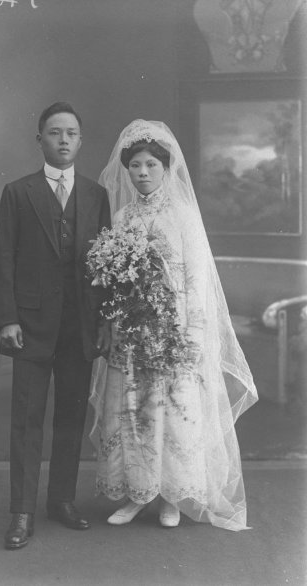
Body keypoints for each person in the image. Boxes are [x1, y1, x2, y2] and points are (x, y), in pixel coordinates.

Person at [89, 120, 258, 531]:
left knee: (173, 412)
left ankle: (171, 497)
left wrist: (193, 334)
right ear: (126, 170)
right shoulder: (123, 215)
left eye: (150, 164)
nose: (142, 172)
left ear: (166, 168)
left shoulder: (183, 215)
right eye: (134, 166)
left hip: (173, 331)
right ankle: (136, 493)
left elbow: (197, 280)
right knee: (133, 411)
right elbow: (112, 278)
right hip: (131, 332)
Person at [0, 102, 111, 549]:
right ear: (39, 139)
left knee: (70, 417)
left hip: (79, 326)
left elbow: (104, 268)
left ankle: (61, 500)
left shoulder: (96, 195)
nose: (64, 140)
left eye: (72, 133)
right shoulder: (18, 193)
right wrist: (6, 319)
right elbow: (5, 257)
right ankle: (21, 512)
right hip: (31, 326)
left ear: (81, 141)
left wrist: (102, 323)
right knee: (26, 420)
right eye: (55, 133)